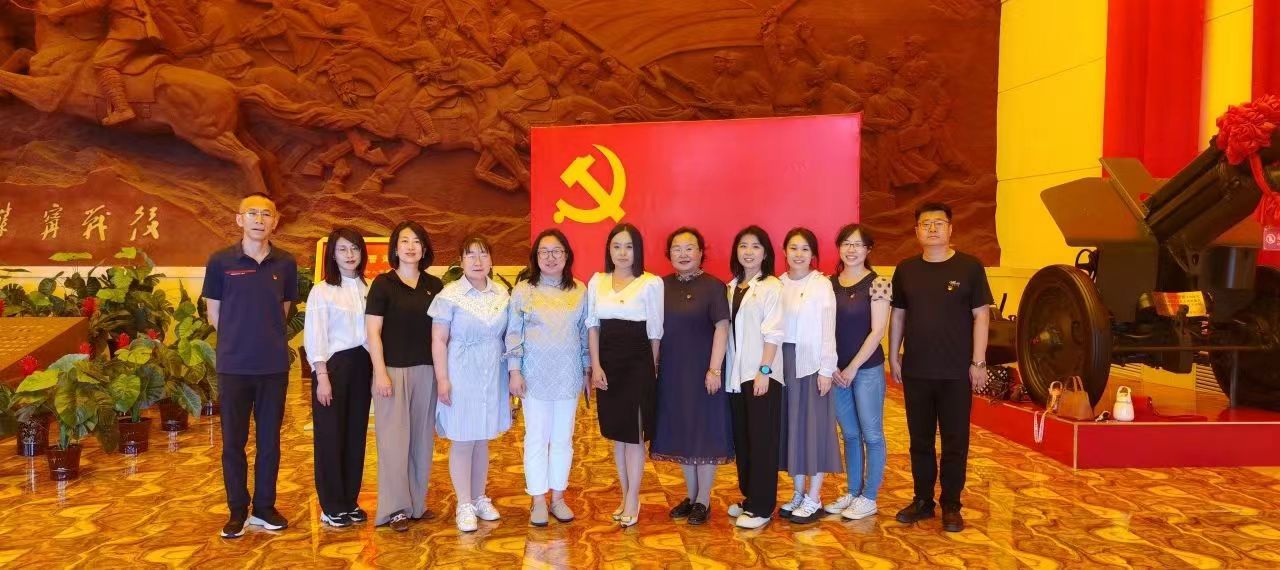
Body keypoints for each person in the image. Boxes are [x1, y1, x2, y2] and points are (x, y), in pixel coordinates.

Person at [889, 202, 991, 533]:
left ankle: (951, 504)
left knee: (954, 441)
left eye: (939, 223)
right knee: (919, 441)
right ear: (916, 231)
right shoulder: (906, 270)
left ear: (950, 229)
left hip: (956, 372)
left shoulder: (970, 267)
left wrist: (978, 362)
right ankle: (922, 500)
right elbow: (898, 316)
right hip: (917, 370)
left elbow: (981, 316)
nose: (932, 228)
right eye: (925, 223)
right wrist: (893, 355)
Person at [202, 193, 298, 538]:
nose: (260, 220)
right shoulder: (220, 261)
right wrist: (239, 340)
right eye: (252, 213)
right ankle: (237, 510)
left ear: (275, 221)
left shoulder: (286, 263)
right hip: (234, 366)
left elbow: (283, 311)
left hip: (273, 367)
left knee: (270, 441)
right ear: (239, 219)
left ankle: (265, 507)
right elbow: (214, 314)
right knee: (234, 442)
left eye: (266, 214)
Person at [506, 229, 589, 527]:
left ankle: (558, 498)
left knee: (563, 439)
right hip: (533, 376)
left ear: (567, 255)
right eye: (544, 252)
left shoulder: (579, 290)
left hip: (568, 375)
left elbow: (584, 334)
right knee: (537, 438)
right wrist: (514, 371)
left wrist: (587, 370)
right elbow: (513, 332)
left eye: (556, 251)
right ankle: (538, 499)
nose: (550, 257)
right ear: (535, 257)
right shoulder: (523, 290)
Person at [365, 221, 444, 532]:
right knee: (393, 442)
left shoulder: (434, 285)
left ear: (424, 249)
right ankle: (395, 508)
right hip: (392, 372)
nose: (411, 247)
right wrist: (380, 373)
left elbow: (443, 333)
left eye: (416, 242)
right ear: (395, 248)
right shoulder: (383, 284)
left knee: (421, 441)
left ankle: (417, 504)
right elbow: (373, 332)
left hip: (427, 371)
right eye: (404, 241)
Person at [430, 236, 512, 533]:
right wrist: (442, 379)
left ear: (491, 259)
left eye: (483, 254)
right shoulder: (449, 295)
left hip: (492, 373)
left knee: (482, 438)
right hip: (461, 373)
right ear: (461, 261)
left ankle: (478, 497)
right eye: (470, 255)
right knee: (464, 438)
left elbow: (509, 335)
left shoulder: (502, 293)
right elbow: (439, 340)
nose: (477, 261)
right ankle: (463, 503)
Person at [650, 227, 731, 526]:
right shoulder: (660, 286)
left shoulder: (714, 286)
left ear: (700, 252)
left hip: (704, 372)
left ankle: (704, 500)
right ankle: (691, 495)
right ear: (669, 253)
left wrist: (714, 369)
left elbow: (722, 328)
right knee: (683, 431)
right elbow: (654, 331)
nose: (683, 254)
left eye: (689, 248)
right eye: (677, 248)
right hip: (672, 372)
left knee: (704, 433)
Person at [586, 223, 664, 528]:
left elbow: (655, 332)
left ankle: (634, 498)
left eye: (629, 246)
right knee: (618, 436)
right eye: (617, 246)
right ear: (609, 249)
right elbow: (593, 326)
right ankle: (624, 494)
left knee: (634, 437)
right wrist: (596, 366)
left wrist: (651, 370)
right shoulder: (597, 281)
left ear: (638, 251)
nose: (622, 253)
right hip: (608, 364)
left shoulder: (650, 283)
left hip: (638, 365)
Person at [303, 228, 373, 528]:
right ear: (332, 254)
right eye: (343, 249)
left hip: (363, 364)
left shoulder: (369, 287)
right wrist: (322, 375)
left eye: (354, 248)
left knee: (356, 435)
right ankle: (331, 505)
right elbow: (315, 334)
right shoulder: (322, 291)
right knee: (330, 436)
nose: (349, 255)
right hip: (333, 366)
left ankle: (349, 501)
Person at [822, 224, 892, 521]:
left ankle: (869, 497)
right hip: (836, 371)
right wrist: (832, 365)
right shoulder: (827, 284)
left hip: (866, 370)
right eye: (846, 244)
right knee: (849, 434)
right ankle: (853, 492)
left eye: (858, 244)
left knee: (872, 435)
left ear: (868, 249)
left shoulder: (879, 283)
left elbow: (878, 331)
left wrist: (852, 367)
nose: (851, 249)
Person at [776, 227, 842, 524]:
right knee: (793, 429)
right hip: (784, 364)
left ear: (813, 254)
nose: (799, 254)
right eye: (793, 248)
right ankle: (798, 493)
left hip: (812, 365)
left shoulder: (821, 285)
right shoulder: (777, 284)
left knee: (813, 430)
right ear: (784, 251)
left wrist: (826, 369)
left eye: (805, 249)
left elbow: (828, 329)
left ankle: (814, 497)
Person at [724, 226, 785, 529]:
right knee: (744, 439)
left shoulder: (771, 286)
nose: (748, 252)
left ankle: (762, 506)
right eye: (743, 245)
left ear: (765, 253)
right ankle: (750, 498)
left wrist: (764, 371)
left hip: (761, 375)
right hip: (736, 376)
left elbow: (774, 332)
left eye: (755, 246)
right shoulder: (731, 286)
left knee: (762, 441)